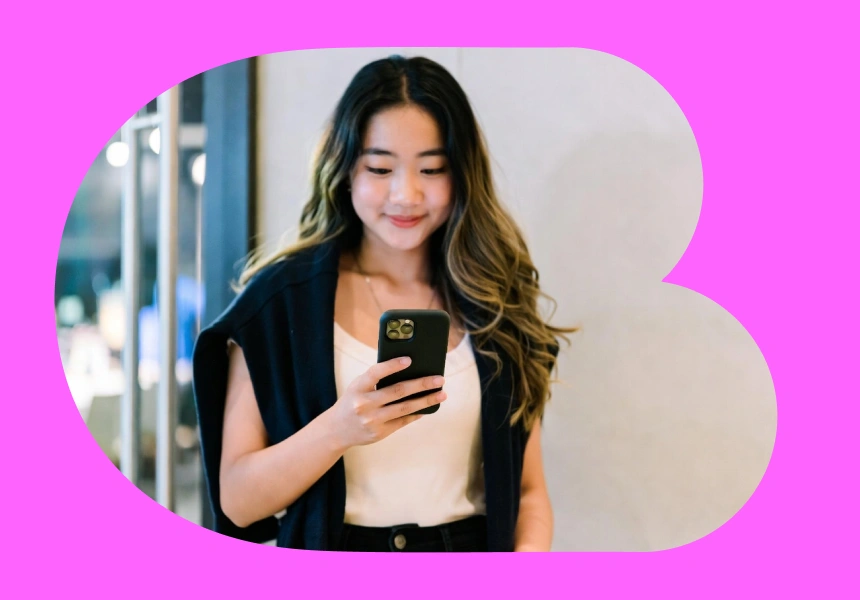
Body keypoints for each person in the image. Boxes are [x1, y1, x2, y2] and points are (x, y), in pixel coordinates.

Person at [191, 54, 574, 552]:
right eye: (380, 167)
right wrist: (339, 428)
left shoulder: (495, 299)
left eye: (432, 168)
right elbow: (238, 501)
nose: (406, 194)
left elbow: (528, 494)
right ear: (346, 169)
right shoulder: (279, 302)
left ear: (462, 175)